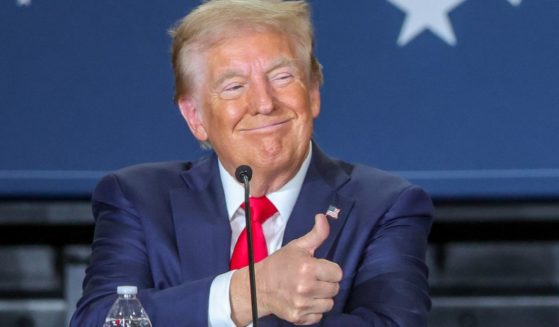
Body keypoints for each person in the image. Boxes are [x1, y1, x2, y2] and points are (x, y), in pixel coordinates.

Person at [70, 0, 433, 326]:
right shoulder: (139, 199)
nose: (263, 103)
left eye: (282, 77)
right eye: (233, 86)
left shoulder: (383, 205)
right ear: (194, 116)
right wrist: (245, 293)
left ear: (313, 92)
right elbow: (100, 319)